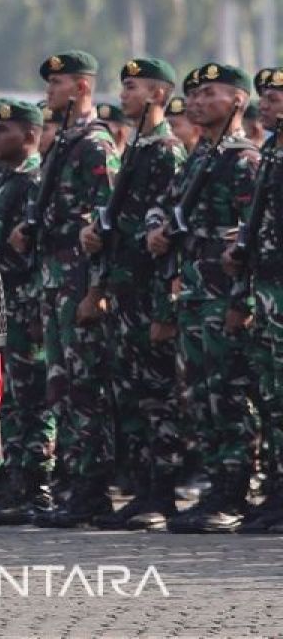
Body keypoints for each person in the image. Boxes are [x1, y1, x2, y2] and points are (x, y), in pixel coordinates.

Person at [145, 63, 259, 533]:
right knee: (198, 397)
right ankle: (215, 488)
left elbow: (256, 237)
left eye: (210, 93)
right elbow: (169, 206)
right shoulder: (201, 157)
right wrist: (156, 229)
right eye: (193, 95)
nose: (196, 102)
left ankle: (232, 495)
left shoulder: (245, 160)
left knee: (228, 396)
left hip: (223, 295)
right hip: (192, 293)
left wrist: (242, 303)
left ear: (237, 101)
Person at [9, 50, 120, 527]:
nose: (48, 92)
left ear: (80, 88)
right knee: (62, 388)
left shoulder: (95, 145)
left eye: (56, 84)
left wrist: (96, 290)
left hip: (78, 281)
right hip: (53, 281)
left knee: (84, 388)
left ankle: (92, 491)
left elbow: (106, 221)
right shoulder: (67, 142)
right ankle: (74, 487)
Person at [79, 58, 188, 531]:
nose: (123, 95)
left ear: (157, 96)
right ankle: (144, 487)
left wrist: (166, 305)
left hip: (149, 292)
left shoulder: (166, 152)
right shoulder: (138, 150)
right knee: (131, 394)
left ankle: (161, 492)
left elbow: (170, 237)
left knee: (156, 395)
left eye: (133, 87)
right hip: (125, 290)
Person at [0, 100, 52, 525]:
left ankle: (36, 485)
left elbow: (33, 251)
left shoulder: (34, 181)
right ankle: (15, 485)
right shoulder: (4, 181)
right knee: (10, 398)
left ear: (28, 136)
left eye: (3, 130)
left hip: (25, 303)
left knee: (32, 397)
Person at [226, 67, 283, 533]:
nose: (268, 102)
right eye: (264, 95)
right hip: (265, 289)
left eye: (277, 95)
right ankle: (274, 494)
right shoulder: (271, 150)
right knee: (270, 396)